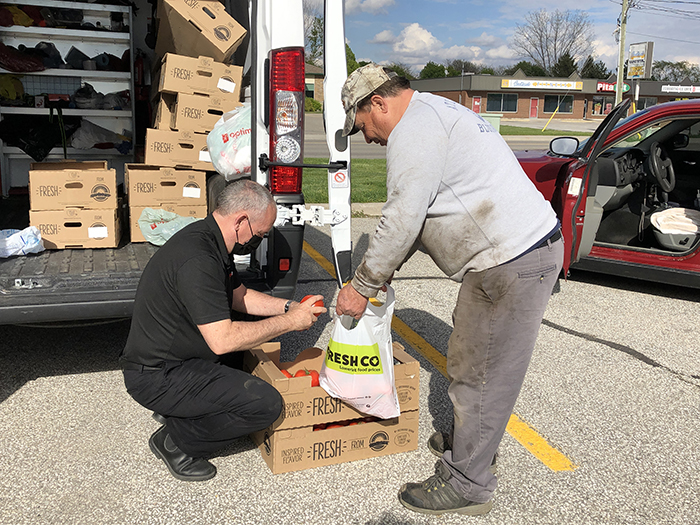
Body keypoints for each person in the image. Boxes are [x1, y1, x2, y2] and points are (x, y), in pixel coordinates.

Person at [336, 64, 564, 516]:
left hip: (512, 259)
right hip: (504, 257)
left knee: (483, 373)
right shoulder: (431, 113)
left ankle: (468, 483)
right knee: (468, 355)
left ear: (378, 103)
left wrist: (362, 285)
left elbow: (402, 217)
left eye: (363, 126)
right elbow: (428, 215)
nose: (368, 138)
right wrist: (387, 267)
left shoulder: (414, 131)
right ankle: (470, 443)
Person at [120, 179, 325, 482]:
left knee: (248, 338)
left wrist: (288, 308)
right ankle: (176, 441)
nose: (259, 240)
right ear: (241, 220)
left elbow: (238, 295)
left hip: (174, 357)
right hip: (155, 376)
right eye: (260, 234)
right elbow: (222, 340)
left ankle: (181, 409)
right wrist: (290, 324)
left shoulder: (209, 239)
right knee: (265, 405)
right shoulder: (199, 259)